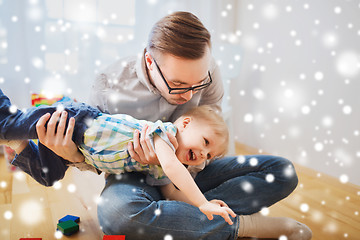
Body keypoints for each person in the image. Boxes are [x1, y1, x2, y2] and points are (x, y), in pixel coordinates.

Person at [4, 11, 312, 240]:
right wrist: (71, 154)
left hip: (189, 174)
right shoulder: (108, 85)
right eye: (179, 85)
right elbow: (99, 154)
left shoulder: (207, 70)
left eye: (198, 83)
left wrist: (196, 164)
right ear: (150, 62)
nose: (191, 95)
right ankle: (240, 224)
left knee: (283, 171)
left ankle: (180, 216)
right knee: (116, 214)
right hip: (131, 177)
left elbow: (211, 131)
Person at [0, 90, 236, 224]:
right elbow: (176, 169)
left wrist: (203, 204)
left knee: (48, 176)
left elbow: (172, 191)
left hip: (76, 149)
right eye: (205, 143)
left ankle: (15, 143)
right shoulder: (165, 134)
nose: (203, 155)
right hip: (78, 120)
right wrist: (202, 201)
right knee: (8, 124)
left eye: (209, 156)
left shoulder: (161, 167)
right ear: (185, 123)